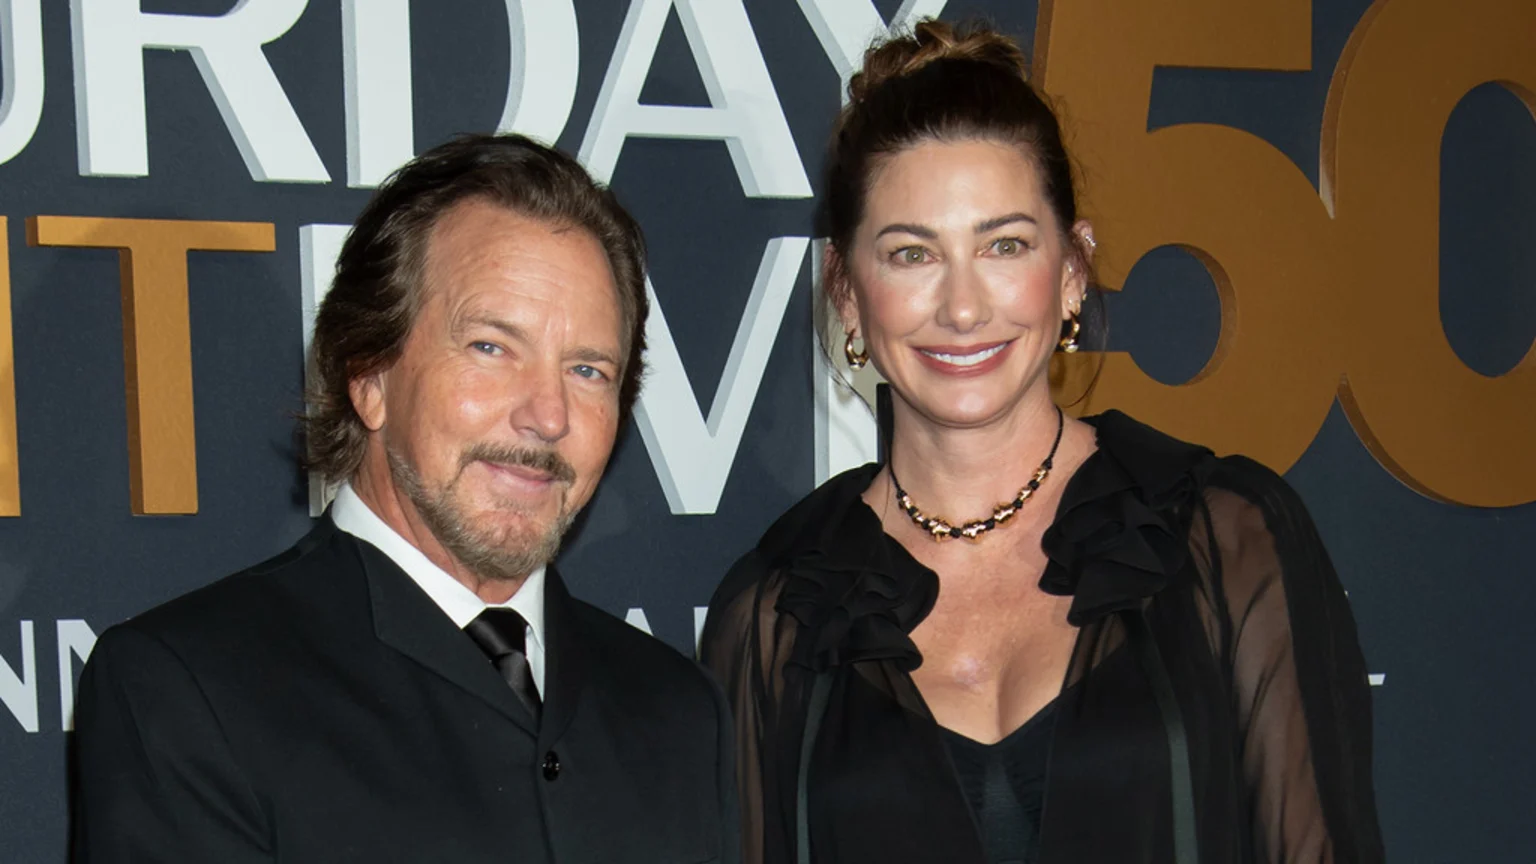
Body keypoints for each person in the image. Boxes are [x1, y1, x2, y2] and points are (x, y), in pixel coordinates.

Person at [700, 21, 1383, 864]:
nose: (961, 307)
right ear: (847, 292)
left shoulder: (1226, 540)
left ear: (1071, 269)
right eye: (912, 253)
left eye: (1005, 245)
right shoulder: (777, 616)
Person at [73, 134, 738, 863]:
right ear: (368, 374)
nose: (549, 415)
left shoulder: (680, 710)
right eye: (491, 347)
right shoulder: (187, 691)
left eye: (587, 369)